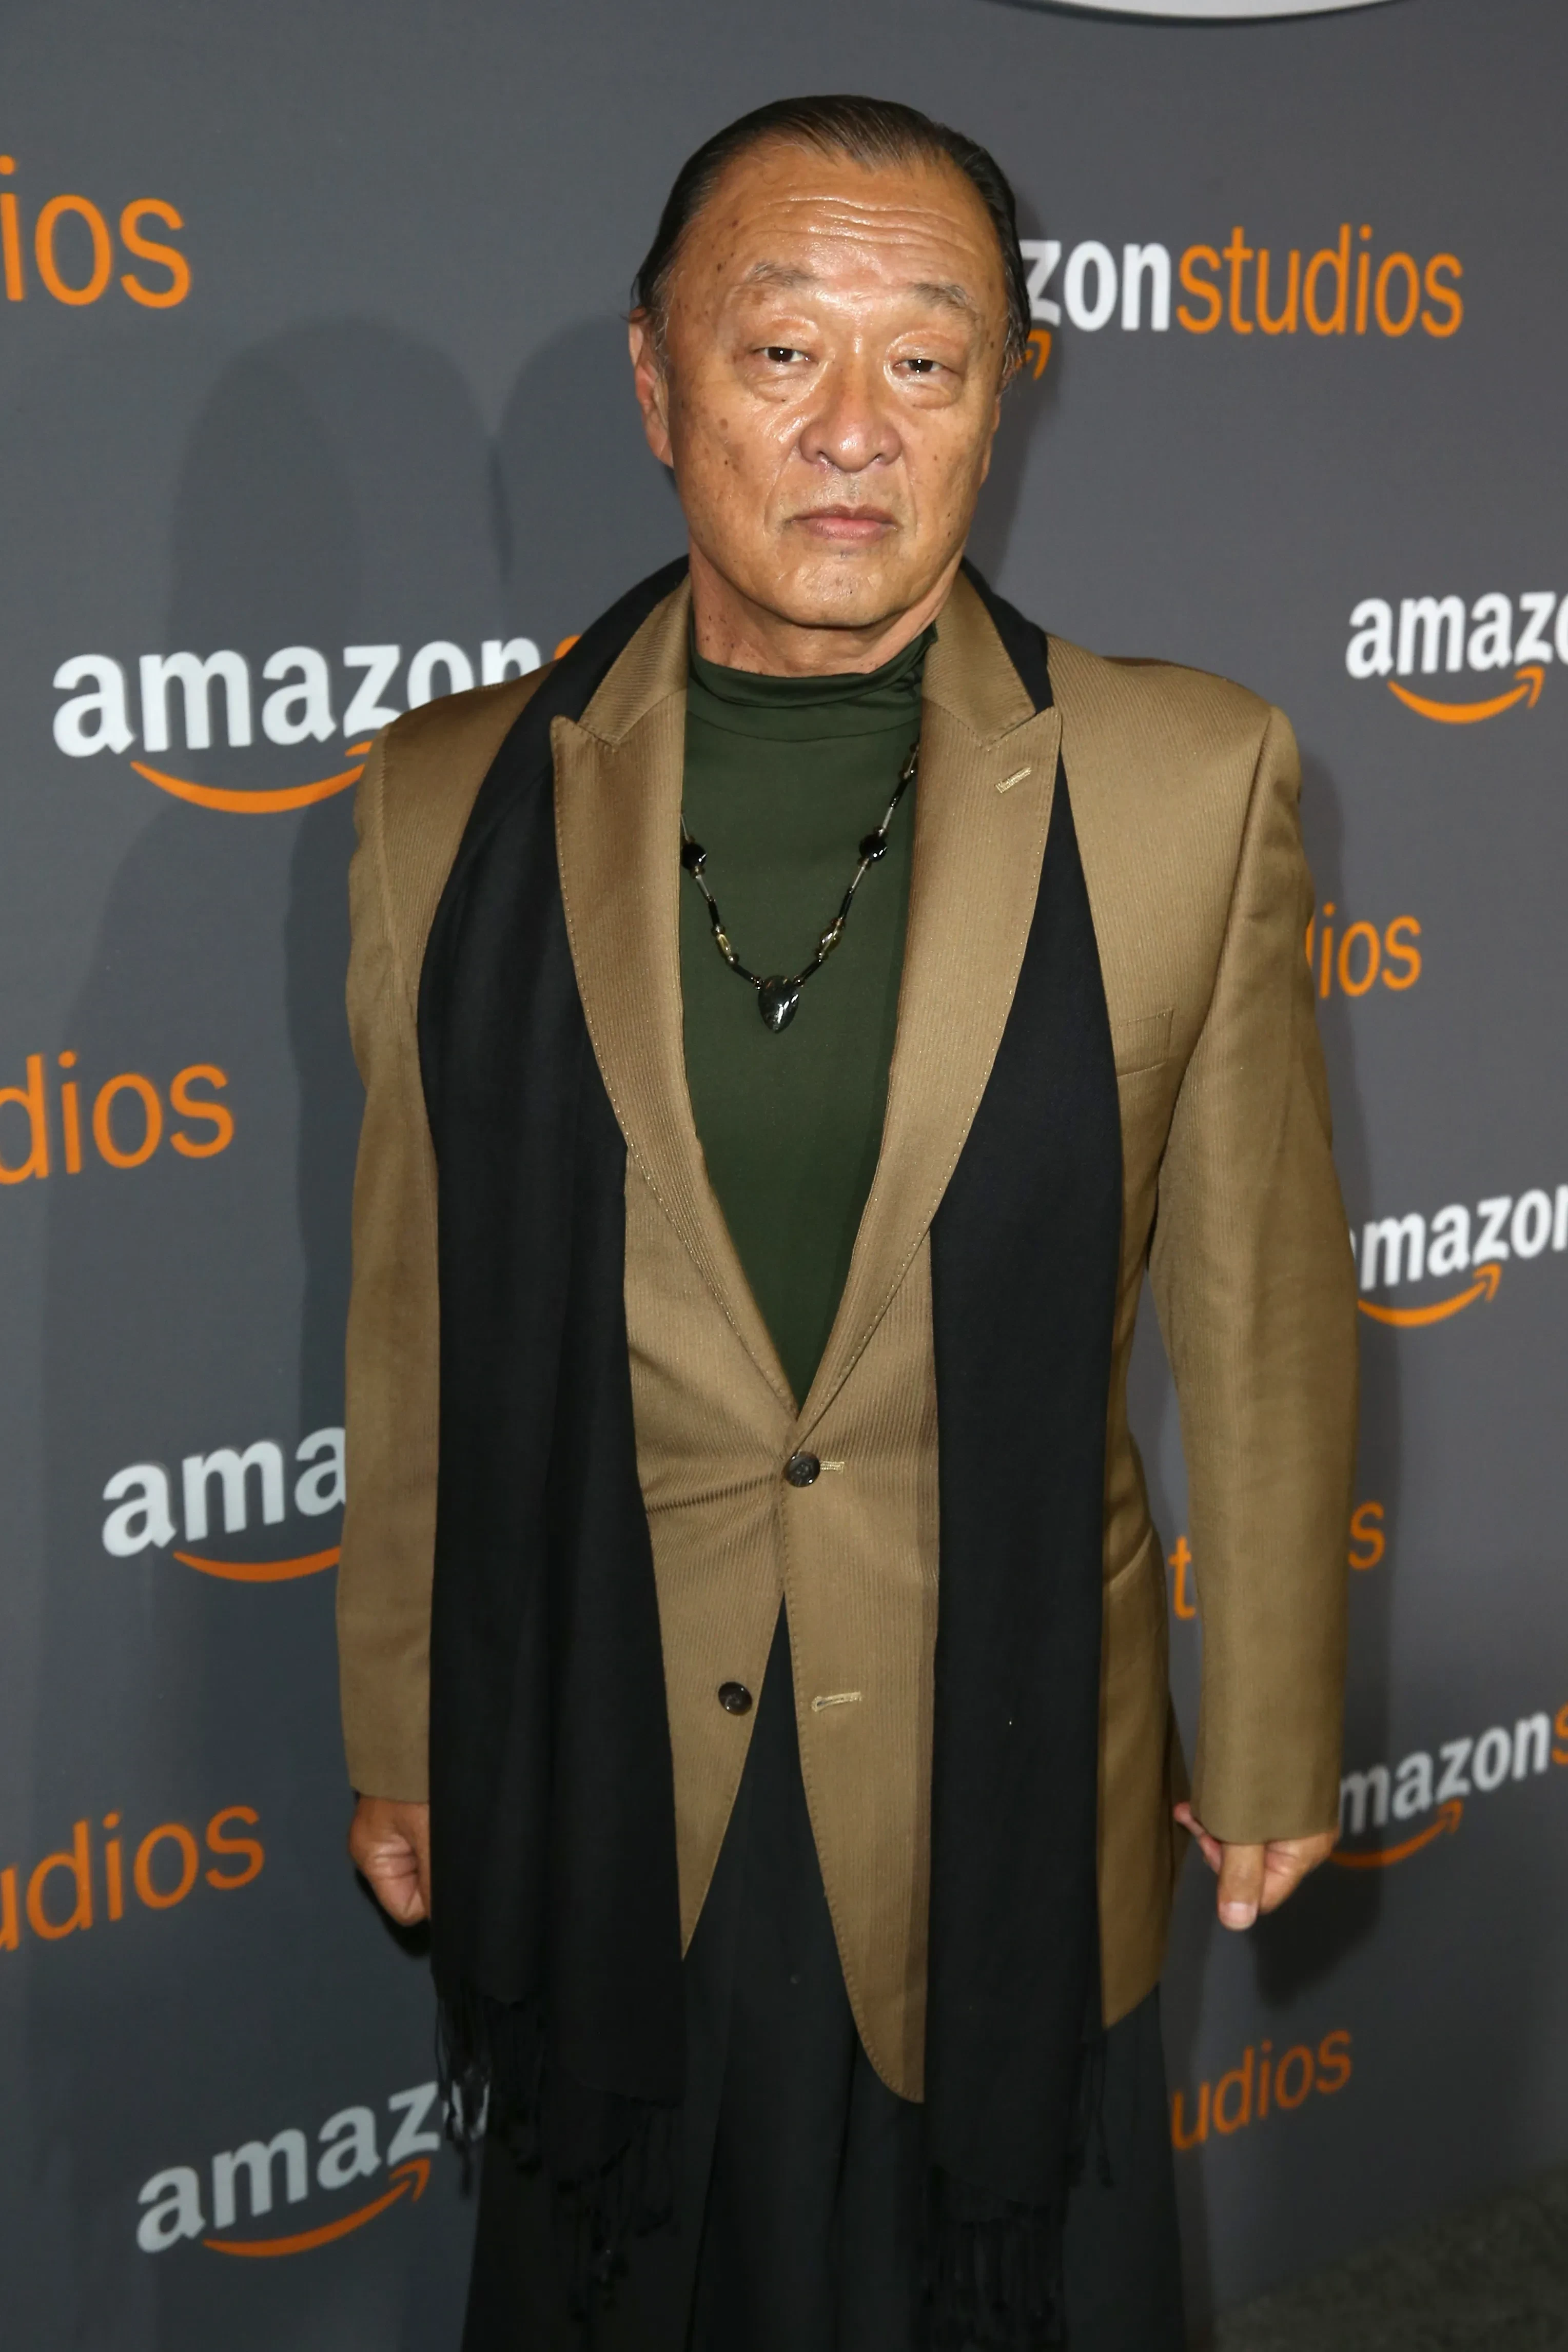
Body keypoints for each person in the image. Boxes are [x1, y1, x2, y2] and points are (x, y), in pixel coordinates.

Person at [337, 94, 1357, 2352]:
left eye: (928, 359)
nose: (854, 431)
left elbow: (1263, 1315)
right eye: (781, 347)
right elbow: (413, 1331)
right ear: (656, 382)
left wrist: (1277, 1721)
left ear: (1003, 396)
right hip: (594, 1749)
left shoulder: (1185, 781)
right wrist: (401, 1718)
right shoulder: (445, 804)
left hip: (1003, 1760)